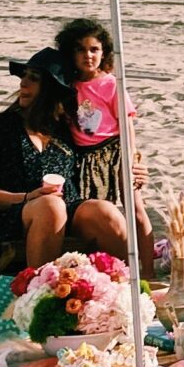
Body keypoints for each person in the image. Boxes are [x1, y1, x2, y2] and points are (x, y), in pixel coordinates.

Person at [0, 54, 131, 278]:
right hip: (12, 217)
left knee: (106, 212)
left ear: (52, 89)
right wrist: (29, 196)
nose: (23, 83)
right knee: (51, 207)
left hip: (68, 210)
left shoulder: (67, 130)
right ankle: (40, 296)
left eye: (33, 78)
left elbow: (106, 145)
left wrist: (135, 164)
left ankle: (122, 292)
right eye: (24, 76)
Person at [52, 15, 152, 257]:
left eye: (94, 49)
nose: (88, 55)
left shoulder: (111, 84)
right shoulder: (67, 85)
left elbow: (126, 123)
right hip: (84, 157)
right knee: (96, 210)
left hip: (114, 149)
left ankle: (147, 269)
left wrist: (130, 159)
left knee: (134, 206)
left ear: (104, 52)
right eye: (81, 49)